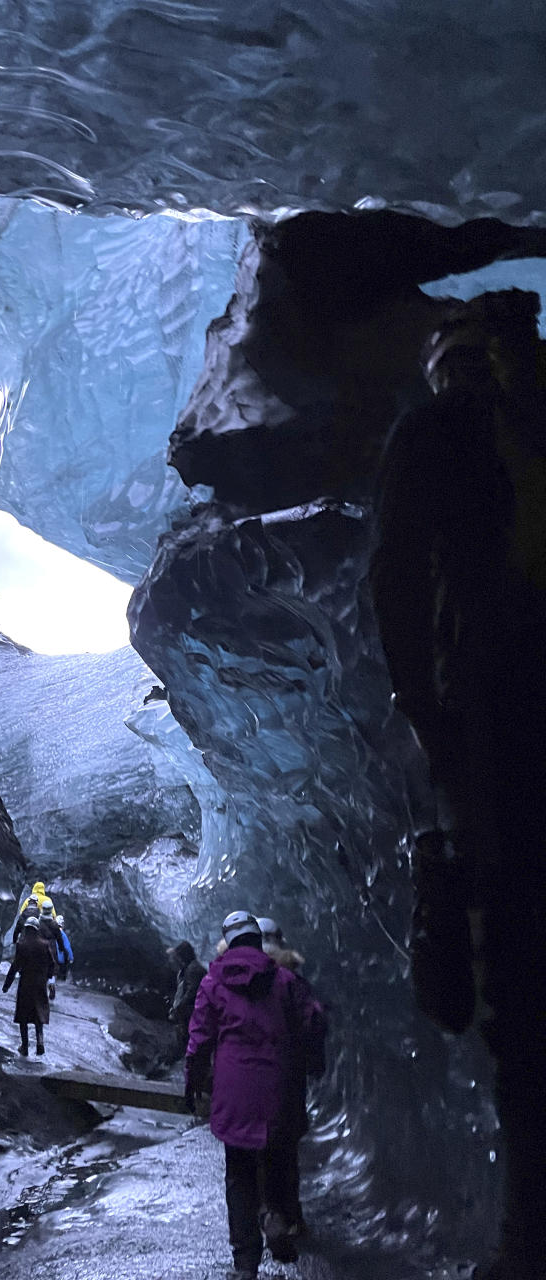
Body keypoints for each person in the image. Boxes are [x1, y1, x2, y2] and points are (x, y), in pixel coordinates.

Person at [369, 291, 546, 1280]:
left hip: (503, 713)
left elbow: (395, 576)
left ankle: (529, 1232)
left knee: (517, 975)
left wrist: (424, 712)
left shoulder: (437, 432)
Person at [185, 911, 326, 1280]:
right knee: (279, 1161)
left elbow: (199, 1040)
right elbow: (311, 1023)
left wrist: (193, 1082)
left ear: (229, 942)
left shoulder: (213, 983)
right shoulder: (285, 981)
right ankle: (278, 1217)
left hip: (233, 1092)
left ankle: (246, 1264)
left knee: (239, 1175)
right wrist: (312, 1064)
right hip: (278, 1089)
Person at [256, 916, 327, 1236]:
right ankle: (290, 1213)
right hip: (286, 1076)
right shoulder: (292, 981)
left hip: (248, 1078)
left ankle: (268, 1210)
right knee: (285, 1149)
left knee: (255, 1149)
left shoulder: (233, 978)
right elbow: (313, 1022)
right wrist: (315, 1062)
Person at [2, 916, 55, 1056]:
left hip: (26, 983)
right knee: (39, 1013)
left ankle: (24, 1046)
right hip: (40, 983)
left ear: (26, 929)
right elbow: (52, 963)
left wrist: (7, 984)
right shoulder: (44, 944)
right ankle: (40, 1042)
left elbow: (15, 966)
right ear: (37, 929)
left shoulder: (22, 944)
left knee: (23, 1015)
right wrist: (49, 978)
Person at [166, 941, 206, 1058]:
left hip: (192, 1013)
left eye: (178, 956)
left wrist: (179, 1007)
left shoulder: (193, 969)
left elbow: (191, 992)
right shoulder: (189, 968)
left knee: (187, 1039)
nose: (176, 959)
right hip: (190, 1012)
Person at [55, 914, 74, 980]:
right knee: (61, 976)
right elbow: (67, 947)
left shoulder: (51, 932)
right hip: (61, 959)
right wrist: (71, 958)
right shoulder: (63, 934)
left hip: (52, 958)